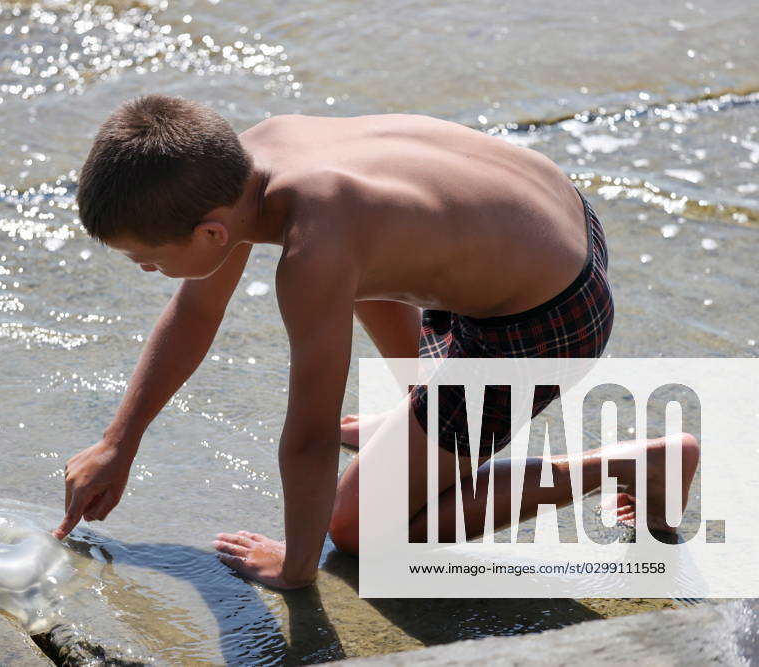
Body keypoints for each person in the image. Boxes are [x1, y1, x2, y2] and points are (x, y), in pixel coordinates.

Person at [52, 94, 699, 589]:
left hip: (547, 318)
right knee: (364, 250)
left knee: (357, 527)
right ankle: (425, 402)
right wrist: (119, 440)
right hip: (552, 219)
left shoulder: (313, 253)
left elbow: (307, 439)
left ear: (213, 235)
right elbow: (195, 314)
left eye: (147, 258)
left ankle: (635, 464)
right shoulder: (248, 156)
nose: (144, 269)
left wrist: (298, 566)